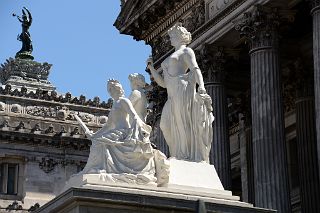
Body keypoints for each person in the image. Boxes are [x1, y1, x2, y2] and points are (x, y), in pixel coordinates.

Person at [147, 23, 214, 163]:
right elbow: (164, 84)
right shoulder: (173, 54)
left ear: (179, 37)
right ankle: (177, 153)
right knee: (165, 125)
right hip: (171, 94)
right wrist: (152, 69)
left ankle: (185, 156)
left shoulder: (186, 51)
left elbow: (195, 69)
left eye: (172, 36)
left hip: (182, 90)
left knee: (183, 124)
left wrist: (201, 86)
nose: (170, 38)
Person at [79, 79, 156, 184]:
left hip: (123, 133)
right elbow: (108, 125)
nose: (111, 91)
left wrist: (136, 132)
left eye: (112, 88)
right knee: (97, 141)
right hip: (115, 132)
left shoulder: (124, 101)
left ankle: (100, 168)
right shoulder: (114, 105)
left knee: (100, 143)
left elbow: (134, 116)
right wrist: (94, 135)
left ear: (118, 89)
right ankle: (95, 168)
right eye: (109, 89)